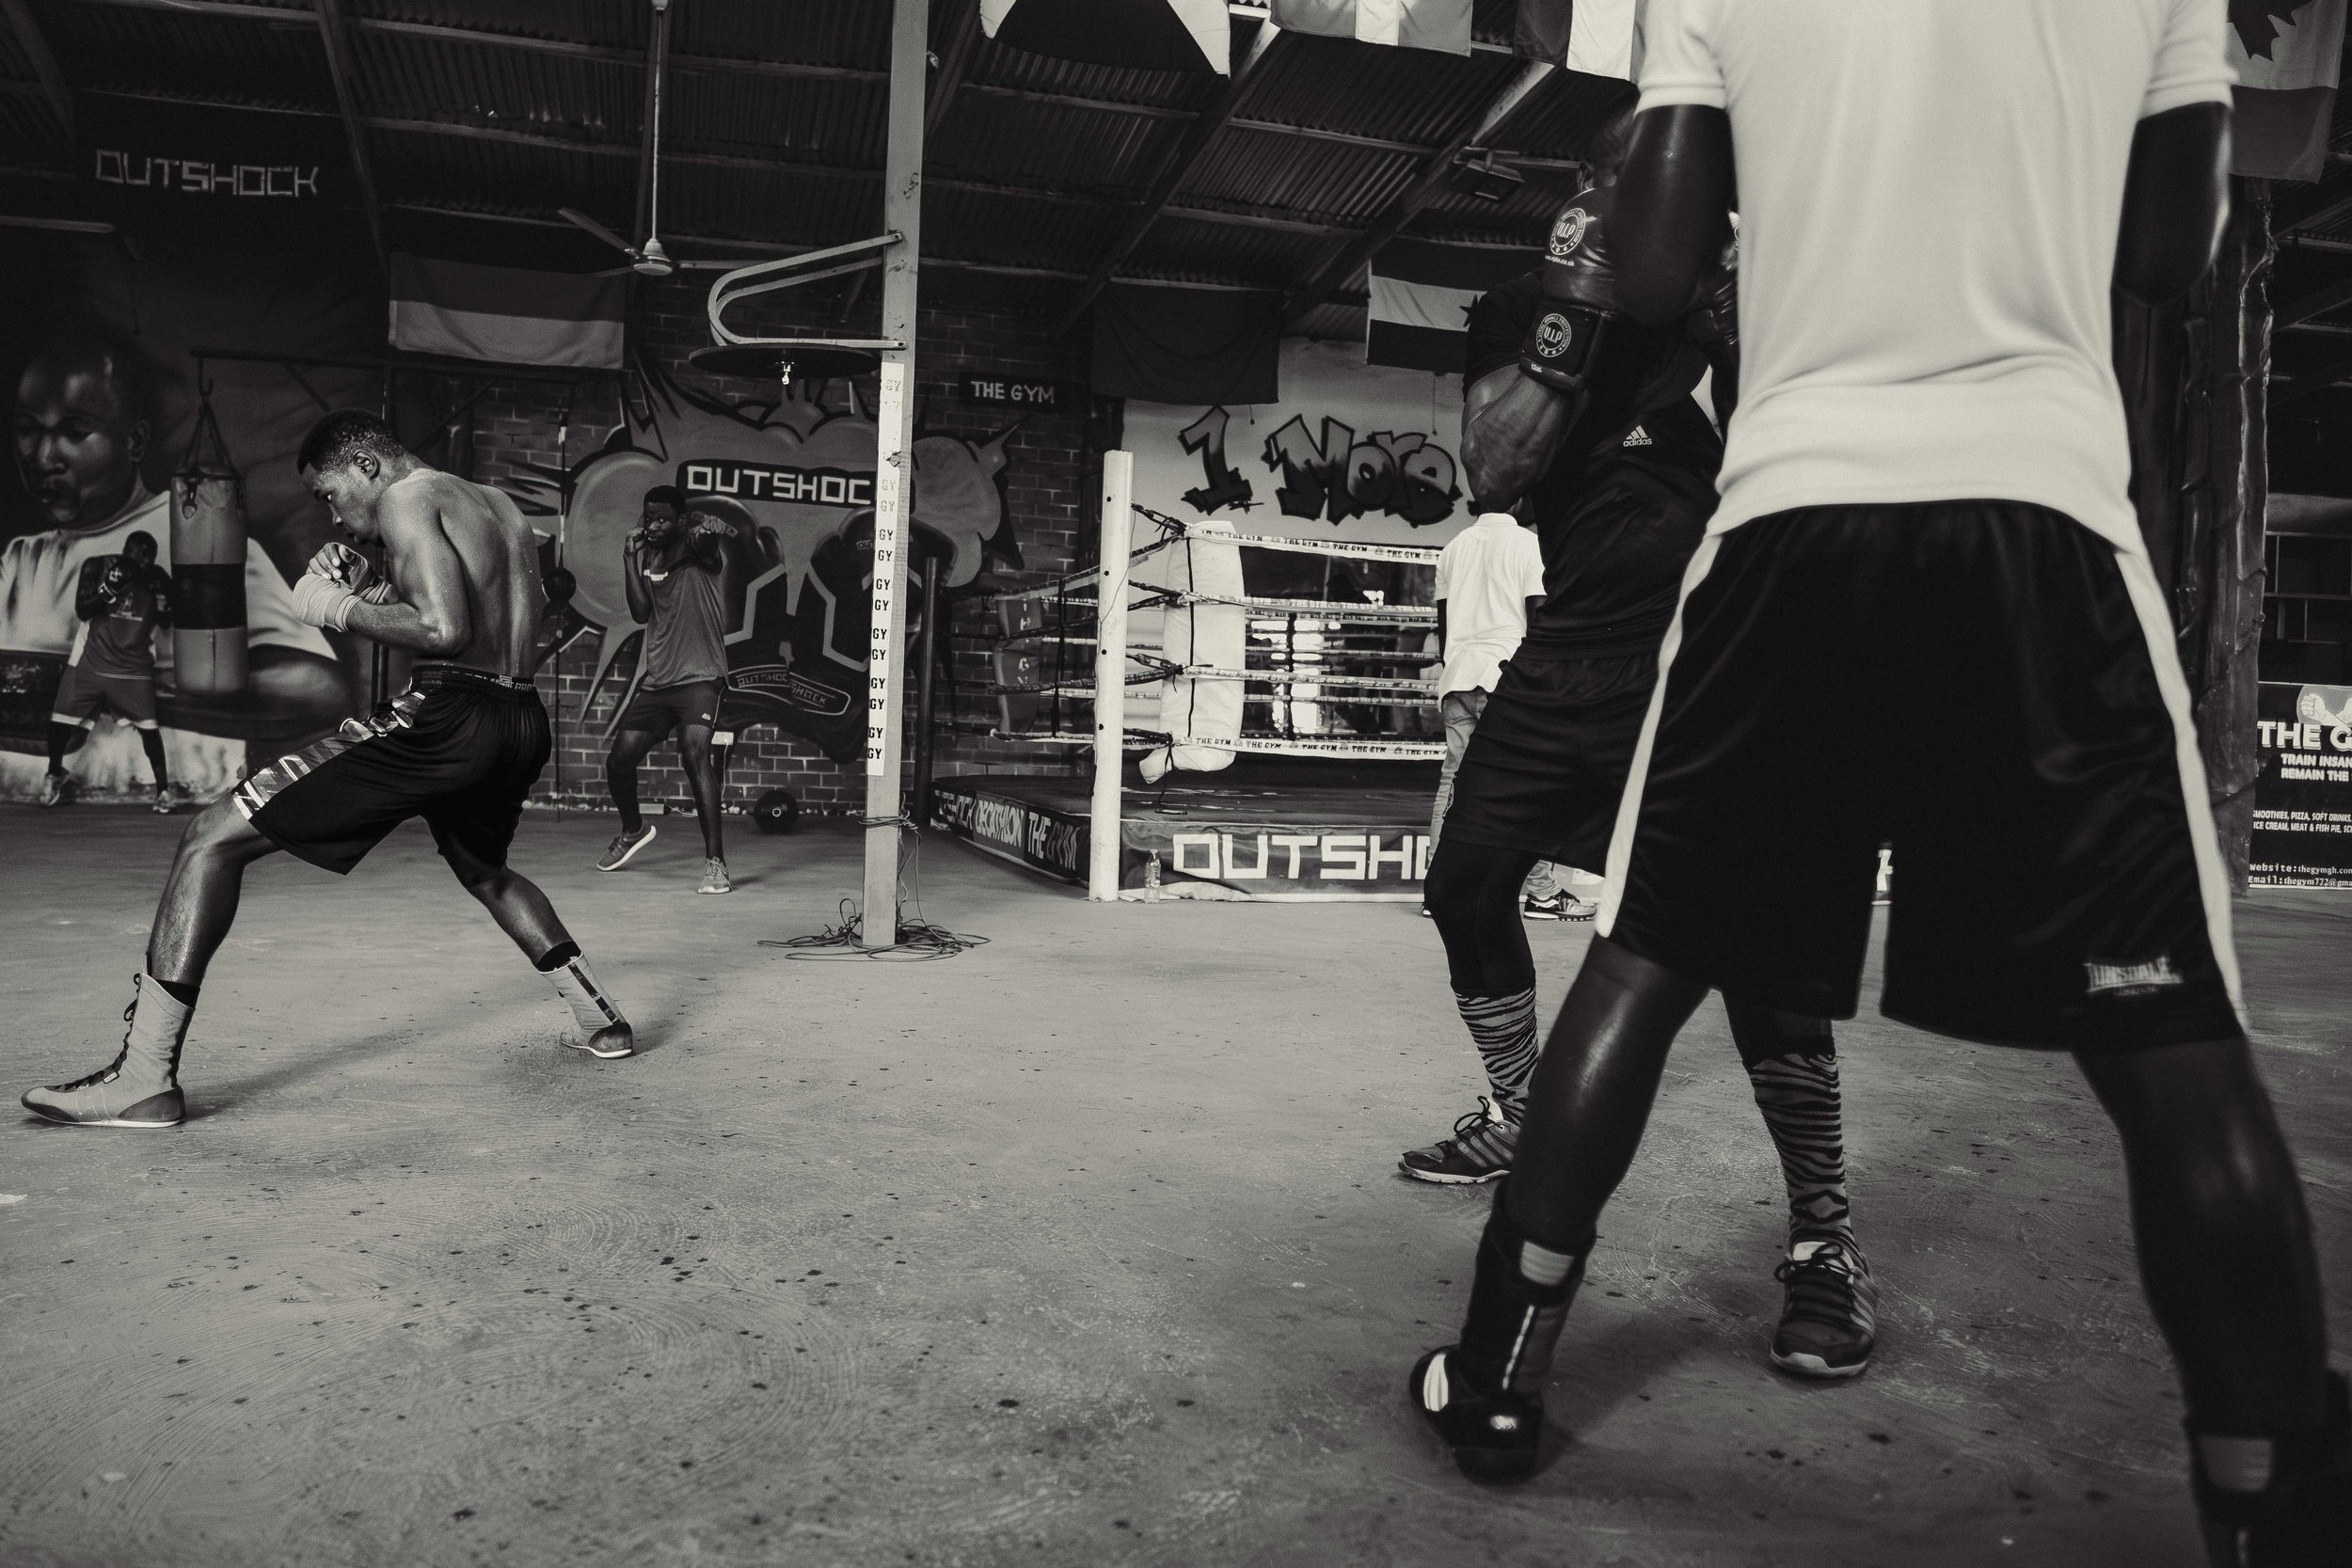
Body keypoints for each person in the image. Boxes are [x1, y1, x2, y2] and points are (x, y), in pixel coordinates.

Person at [1411, 4, 2347, 1560]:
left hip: (1796, 512)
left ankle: (1502, 1375)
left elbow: (1648, 263)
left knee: (1644, 966)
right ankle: (2266, 1491)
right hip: (2038, 512)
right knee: (2168, 1024)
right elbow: (2171, 251)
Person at [1404, 118, 1872, 1383]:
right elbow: (1494, 468)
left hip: (1730, 645)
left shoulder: (1738, 293)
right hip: (1574, 649)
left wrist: (1736, 291)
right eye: (1616, 190)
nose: (1639, 210)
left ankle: (1824, 1237)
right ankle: (1517, 1106)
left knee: (1763, 951)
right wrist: (1576, 301)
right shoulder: (1525, 301)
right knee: (1465, 877)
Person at [20, 410, 633, 1130]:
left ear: (367, 466)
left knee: (210, 836)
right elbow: (475, 613)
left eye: (330, 494)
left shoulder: (406, 497)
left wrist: (332, 606)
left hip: (447, 718)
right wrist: (374, 586)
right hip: (518, 718)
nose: (335, 517)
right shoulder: (486, 501)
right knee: (487, 871)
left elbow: (444, 631)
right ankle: (603, 1019)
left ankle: (144, 1078)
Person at [5, 329, 348, 798]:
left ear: (135, 441)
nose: (45, 458)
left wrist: (143, 687)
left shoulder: (195, 540)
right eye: (28, 431)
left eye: (74, 433)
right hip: (28, 815)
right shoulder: (20, 558)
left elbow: (318, 690)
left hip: (148, 815)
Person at [1426, 513, 1573, 921]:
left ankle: (1436, 893)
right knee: (1526, 786)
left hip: (1458, 675)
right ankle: (1541, 893)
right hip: (1506, 676)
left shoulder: (1454, 547)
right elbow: (1539, 617)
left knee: (1452, 784)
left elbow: (1443, 626)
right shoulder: (1529, 544)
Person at [596, 486, 732, 895]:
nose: (653, 526)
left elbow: (708, 543)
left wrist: (710, 529)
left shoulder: (697, 546)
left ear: (680, 519)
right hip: (658, 682)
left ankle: (716, 864)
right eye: (648, 518)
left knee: (694, 755)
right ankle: (633, 829)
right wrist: (629, 558)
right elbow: (640, 613)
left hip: (701, 677)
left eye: (662, 520)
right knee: (619, 762)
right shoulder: (651, 557)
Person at [43, 528, 176, 812]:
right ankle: (53, 775)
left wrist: (164, 601)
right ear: (126, 553)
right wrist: (109, 589)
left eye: (146, 560)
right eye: (135, 557)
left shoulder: (157, 577)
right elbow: (83, 610)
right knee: (60, 720)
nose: (140, 564)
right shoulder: (98, 566)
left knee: (149, 730)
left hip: (133, 667)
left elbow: (166, 622)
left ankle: (163, 792)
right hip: (91, 659)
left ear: (151, 560)